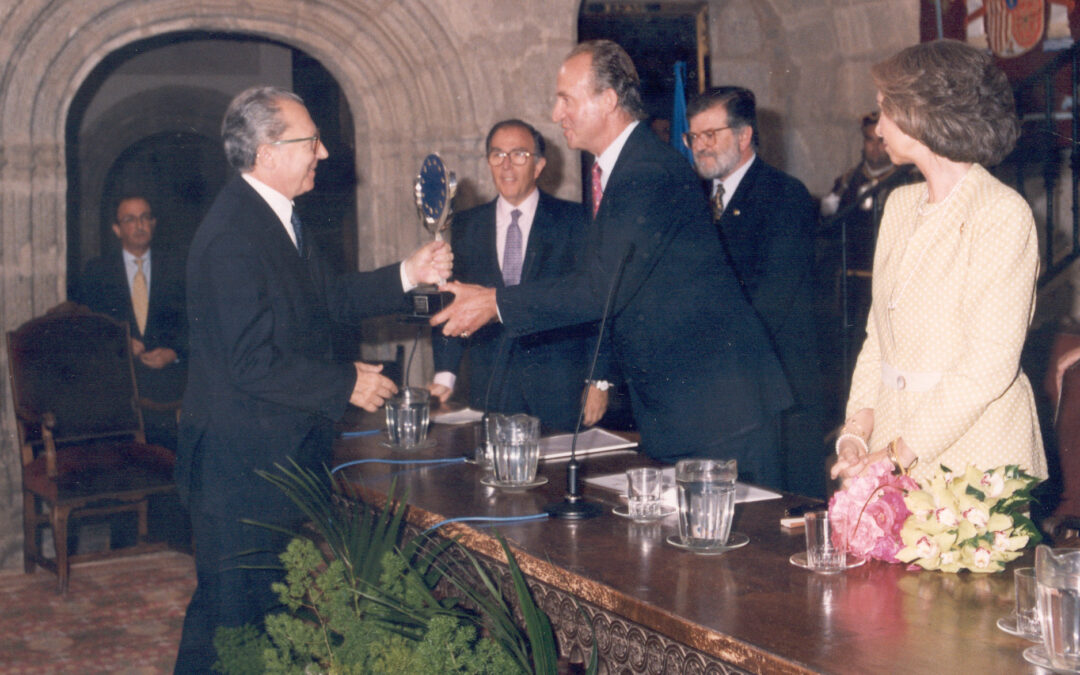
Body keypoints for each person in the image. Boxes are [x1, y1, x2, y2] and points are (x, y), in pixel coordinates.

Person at [173, 86, 452, 672]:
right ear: (268, 152)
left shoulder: (277, 218)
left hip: (266, 455)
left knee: (253, 622)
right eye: (311, 141)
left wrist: (409, 271)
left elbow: (328, 298)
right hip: (236, 467)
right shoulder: (231, 236)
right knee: (232, 627)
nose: (323, 153)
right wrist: (342, 383)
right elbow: (251, 362)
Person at [431, 40, 792, 487]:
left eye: (566, 98)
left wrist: (494, 301)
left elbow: (599, 288)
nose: (555, 112)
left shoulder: (647, 173)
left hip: (719, 410)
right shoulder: (624, 169)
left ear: (607, 100)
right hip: (683, 407)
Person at [831, 40, 1049, 485]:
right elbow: (879, 338)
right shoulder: (900, 203)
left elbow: (988, 364)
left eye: (883, 111)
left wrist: (896, 454)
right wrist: (857, 431)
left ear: (919, 115)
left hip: (974, 456)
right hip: (892, 447)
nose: (878, 127)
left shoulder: (1000, 213)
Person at [685, 87, 825, 498]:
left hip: (771, 384)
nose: (701, 146)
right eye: (694, 137)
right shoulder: (694, 201)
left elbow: (772, 299)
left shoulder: (785, 195)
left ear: (745, 136)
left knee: (774, 508)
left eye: (712, 134)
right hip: (718, 389)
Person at [429, 119, 608, 430]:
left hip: (559, 388)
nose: (507, 166)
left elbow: (600, 303)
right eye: (497, 155)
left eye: (519, 155)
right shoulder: (465, 226)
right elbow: (451, 301)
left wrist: (600, 380)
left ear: (538, 165)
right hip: (490, 388)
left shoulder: (575, 221)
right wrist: (445, 375)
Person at [78, 195, 187, 447]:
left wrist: (173, 352)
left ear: (154, 222)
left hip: (168, 387)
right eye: (129, 219)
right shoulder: (97, 271)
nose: (139, 225)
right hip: (118, 385)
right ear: (116, 229)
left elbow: (196, 322)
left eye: (144, 217)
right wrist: (120, 341)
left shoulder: (178, 267)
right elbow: (86, 327)